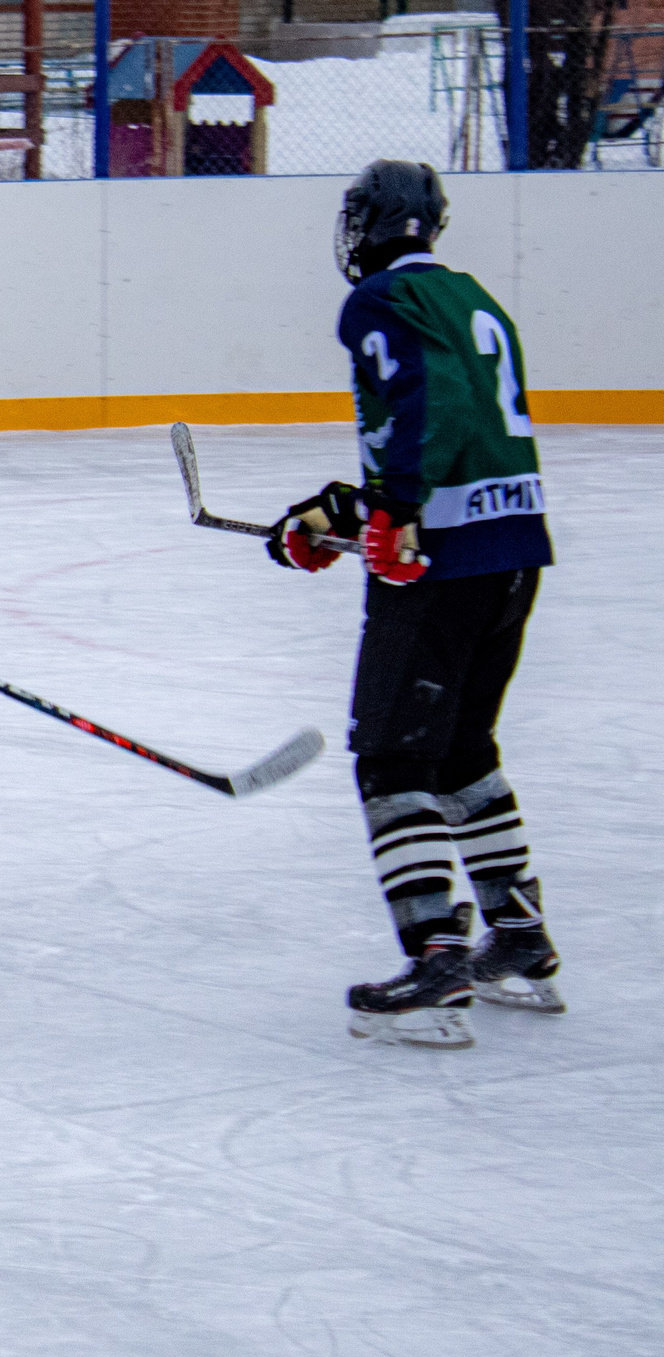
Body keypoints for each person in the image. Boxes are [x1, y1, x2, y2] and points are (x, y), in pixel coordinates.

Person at [267, 161, 562, 1048]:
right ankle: (517, 933)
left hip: (442, 567)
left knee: (392, 758)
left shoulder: (377, 304)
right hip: (513, 553)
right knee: (464, 747)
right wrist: (345, 511)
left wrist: (390, 509)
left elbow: (422, 401)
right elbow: (462, 421)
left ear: (378, 222)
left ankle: (437, 952)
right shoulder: (472, 296)